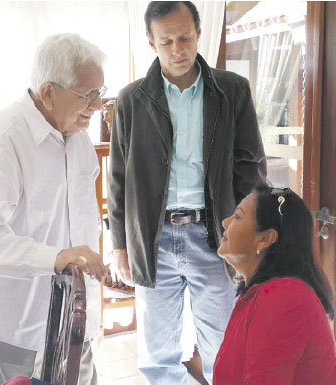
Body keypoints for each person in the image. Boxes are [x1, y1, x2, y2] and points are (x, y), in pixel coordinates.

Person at [108, 1, 266, 384]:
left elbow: (250, 168)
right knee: (158, 354)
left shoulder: (231, 91)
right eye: (166, 42)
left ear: (198, 33)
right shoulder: (131, 100)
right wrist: (120, 245)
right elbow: (117, 179)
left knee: (223, 345)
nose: (177, 49)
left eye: (184, 37)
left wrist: (252, 234)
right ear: (151, 42)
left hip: (215, 235)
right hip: (153, 238)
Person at [0, 33, 107, 385]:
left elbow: (79, 222)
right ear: (48, 92)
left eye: (99, 92)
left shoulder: (79, 136)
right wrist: (57, 256)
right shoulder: (3, 138)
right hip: (17, 325)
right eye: (87, 95)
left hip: (72, 318)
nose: (97, 105)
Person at [214, 184, 336, 385]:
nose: (225, 222)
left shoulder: (284, 298)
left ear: (265, 239)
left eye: (237, 216)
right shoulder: (262, 295)